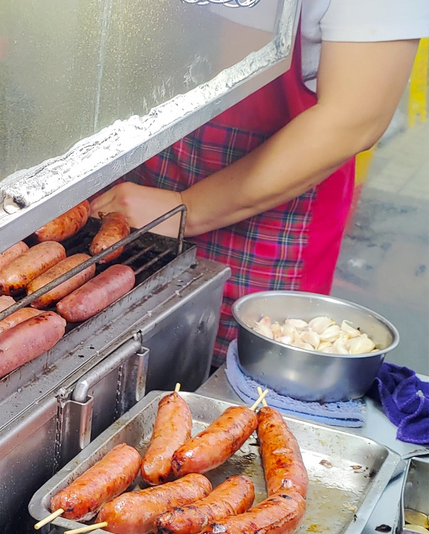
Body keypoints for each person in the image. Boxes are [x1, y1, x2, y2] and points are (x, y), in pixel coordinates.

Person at [89, 0, 428, 366]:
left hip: (268, 214)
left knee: (232, 382)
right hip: (144, 169)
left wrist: (186, 207)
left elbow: (354, 117)